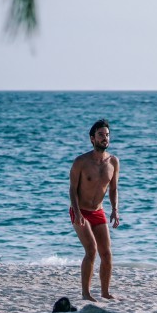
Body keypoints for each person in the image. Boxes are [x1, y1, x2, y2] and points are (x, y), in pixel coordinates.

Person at [69, 119, 121, 302]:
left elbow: (113, 189)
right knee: (91, 250)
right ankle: (86, 293)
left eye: (107, 135)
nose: (105, 138)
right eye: (101, 135)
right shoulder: (81, 162)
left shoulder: (113, 162)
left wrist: (115, 209)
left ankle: (105, 292)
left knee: (106, 253)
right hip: (80, 210)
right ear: (92, 139)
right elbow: (72, 189)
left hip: (98, 211)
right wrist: (78, 213)